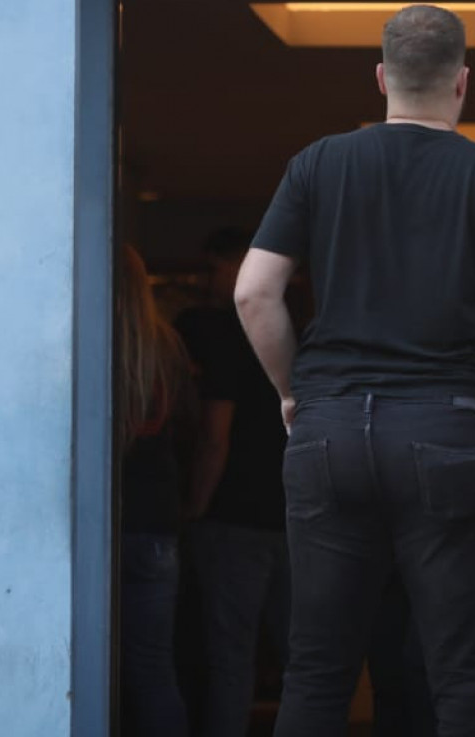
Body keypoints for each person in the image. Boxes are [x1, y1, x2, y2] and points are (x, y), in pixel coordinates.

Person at [234, 4, 475, 737]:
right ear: (464, 82)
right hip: (451, 430)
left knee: (317, 669)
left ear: (381, 76)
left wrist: (295, 392)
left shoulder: (318, 163)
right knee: (465, 672)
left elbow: (253, 292)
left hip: (330, 430)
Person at [178, 227, 292, 737]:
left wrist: (196, 508)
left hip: (232, 518)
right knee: (303, 658)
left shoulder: (216, 333)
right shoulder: (298, 330)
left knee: (230, 658)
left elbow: (215, 434)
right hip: (290, 516)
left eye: (214, 268)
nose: (208, 281)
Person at [117, 244, 196, 737]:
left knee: (88, 666)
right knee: (153, 668)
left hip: (100, 526)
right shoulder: (167, 344)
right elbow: (191, 431)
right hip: (157, 523)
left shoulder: (87, 336)